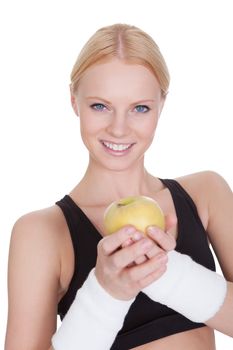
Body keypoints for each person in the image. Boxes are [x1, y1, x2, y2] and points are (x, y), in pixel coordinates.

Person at [4, 23, 233, 350]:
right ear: (74, 102)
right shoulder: (41, 232)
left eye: (140, 108)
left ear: (161, 105)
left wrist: (170, 276)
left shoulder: (206, 194)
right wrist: (106, 293)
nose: (119, 128)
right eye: (100, 106)